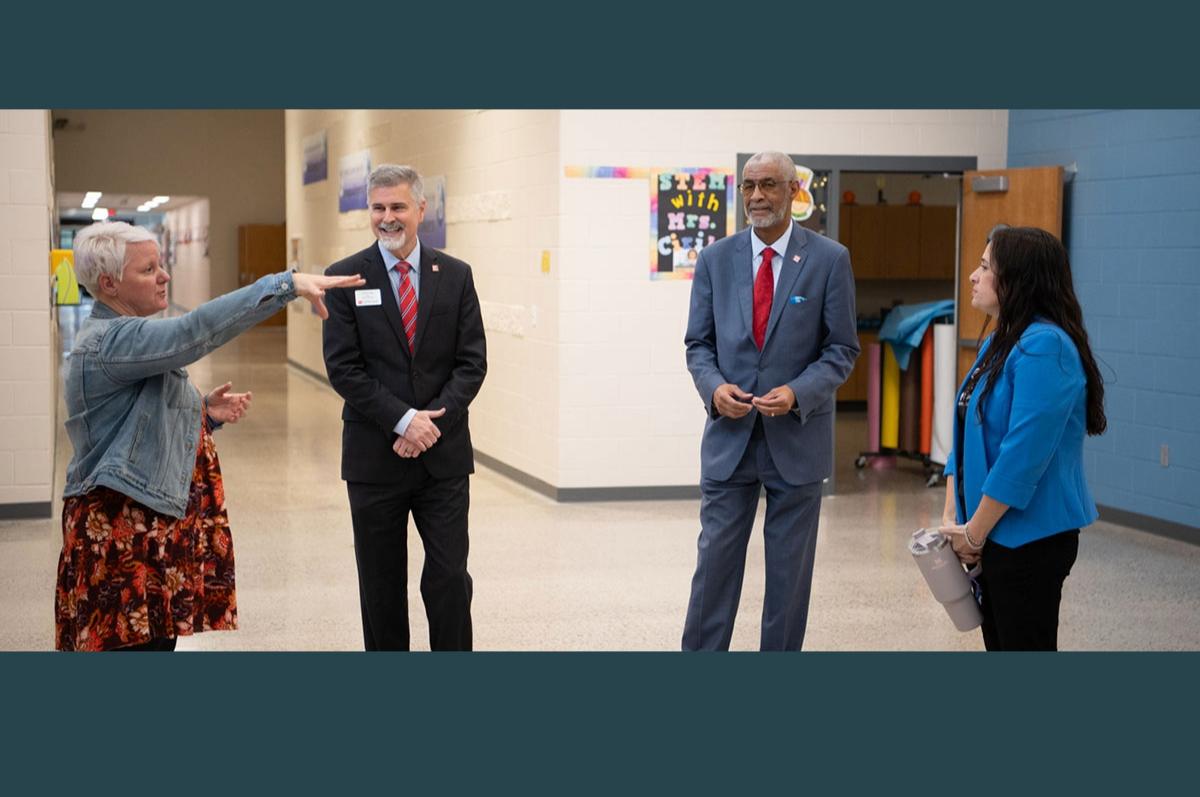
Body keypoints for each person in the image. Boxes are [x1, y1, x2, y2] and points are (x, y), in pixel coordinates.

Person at [56, 221, 363, 651]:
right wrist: (285, 284)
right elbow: (193, 332)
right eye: (148, 270)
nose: (164, 276)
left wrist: (202, 413)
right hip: (119, 536)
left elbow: (131, 421)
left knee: (155, 648)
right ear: (109, 283)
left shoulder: (122, 337)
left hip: (145, 528)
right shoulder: (111, 340)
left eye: (160, 265)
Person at [682, 151, 860, 651]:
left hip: (797, 442)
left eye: (768, 185)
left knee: (787, 580)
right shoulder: (717, 259)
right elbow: (698, 344)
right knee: (713, 571)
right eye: (748, 186)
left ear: (793, 191)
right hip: (729, 440)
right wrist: (714, 388)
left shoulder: (829, 259)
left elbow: (842, 349)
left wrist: (799, 392)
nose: (756, 196)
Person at [322, 164, 487, 651]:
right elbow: (344, 368)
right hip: (375, 458)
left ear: (421, 209)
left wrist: (429, 424)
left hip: (443, 458)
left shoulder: (455, 275)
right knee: (380, 587)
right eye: (378, 208)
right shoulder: (344, 278)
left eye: (397, 207)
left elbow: (471, 363)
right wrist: (403, 420)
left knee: (450, 580)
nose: (387, 218)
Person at [939, 226, 1106, 651]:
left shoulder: (1047, 346)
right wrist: (952, 520)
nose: (974, 277)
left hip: (1030, 539)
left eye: (984, 267)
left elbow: (1021, 458)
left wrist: (973, 534)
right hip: (989, 532)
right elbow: (966, 433)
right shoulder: (1000, 341)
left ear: (1018, 279)